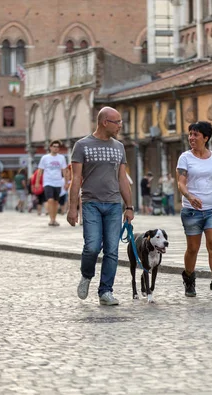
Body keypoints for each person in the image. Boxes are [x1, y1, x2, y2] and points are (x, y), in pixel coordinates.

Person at [68, 106, 134, 306]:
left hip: (114, 204)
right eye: (117, 122)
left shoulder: (119, 147)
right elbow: (76, 178)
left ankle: (105, 291)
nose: (120, 126)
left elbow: (122, 178)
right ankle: (87, 275)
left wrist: (129, 206)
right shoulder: (82, 145)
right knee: (92, 246)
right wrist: (72, 208)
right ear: (105, 122)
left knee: (112, 250)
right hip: (91, 203)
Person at [177, 121, 212, 300]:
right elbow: (180, 182)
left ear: (205, 138)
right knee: (193, 248)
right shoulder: (185, 157)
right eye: (190, 134)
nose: (191, 138)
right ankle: (189, 277)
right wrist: (190, 196)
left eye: (195, 135)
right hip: (191, 210)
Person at [37, 140, 68, 226]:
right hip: (48, 182)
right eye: (54, 146)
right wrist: (37, 182)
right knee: (50, 200)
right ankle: (51, 219)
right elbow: (40, 170)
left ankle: (54, 219)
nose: (56, 148)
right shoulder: (45, 158)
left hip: (58, 182)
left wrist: (66, 182)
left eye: (57, 147)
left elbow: (65, 171)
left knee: (55, 202)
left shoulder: (61, 158)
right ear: (50, 147)